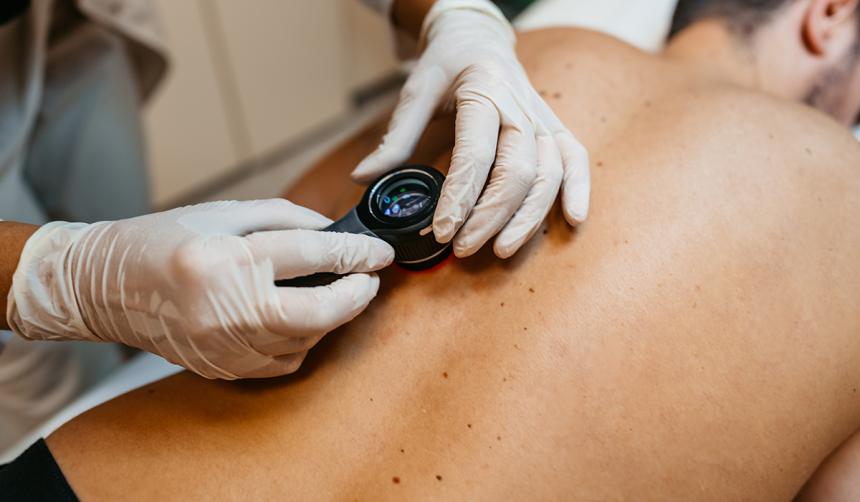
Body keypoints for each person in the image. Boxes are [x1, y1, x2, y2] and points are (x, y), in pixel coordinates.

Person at [6, 0, 858, 499]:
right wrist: (62, 276)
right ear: (830, 15)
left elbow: (298, 209)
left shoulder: (530, 54)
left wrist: (456, 16)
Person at [0, 0, 589, 450]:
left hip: (60, 23)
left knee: (109, 207)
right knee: (35, 365)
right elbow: (79, 276)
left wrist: (454, 15)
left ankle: (121, 362)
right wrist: (63, 278)